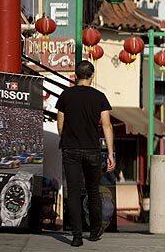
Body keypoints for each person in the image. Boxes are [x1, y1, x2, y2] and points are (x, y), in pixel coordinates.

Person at [56, 61, 115, 247]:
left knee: (73, 192)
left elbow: (60, 124)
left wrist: (67, 140)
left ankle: (76, 236)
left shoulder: (66, 95)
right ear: (92, 75)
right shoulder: (100, 97)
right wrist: (111, 153)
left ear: (75, 75)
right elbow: (106, 125)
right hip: (92, 150)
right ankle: (95, 229)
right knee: (93, 190)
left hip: (70, 149)